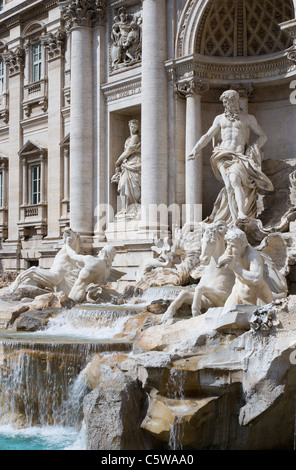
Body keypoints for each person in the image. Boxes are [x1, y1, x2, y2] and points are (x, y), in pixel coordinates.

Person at [188, 90, 273, 224]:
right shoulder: (220, 119)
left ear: (237, 102)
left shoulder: (248, 118)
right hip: (222, 154)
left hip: (239, 155)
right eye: (226, 102)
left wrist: (253, 148)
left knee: (234, 180)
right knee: (228, 186)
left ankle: (240, 213)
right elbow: (208, 136)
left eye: (231, 102)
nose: (228, 105)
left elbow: (263, 136)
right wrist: (195, 149)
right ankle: (233, 218)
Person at [217, 227, 284, 306]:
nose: (230, 249)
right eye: (228, 245)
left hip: (258, 297)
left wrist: (236, 268)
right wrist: (222, 261)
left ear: (243, 244)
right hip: (237, 292)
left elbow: (256, 279)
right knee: (225, 315)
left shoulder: (253, 256)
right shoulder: (233, 249)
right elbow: (222, 259)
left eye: (234, 246)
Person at [111, 119, 141, 215]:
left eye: (135, 127)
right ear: (129, 127)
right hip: (127, 164)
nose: (133, 129)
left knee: (130, 185)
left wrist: (118, 162)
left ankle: (132, 206)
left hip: (134, 162)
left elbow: (128, 151)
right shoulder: (128, 138)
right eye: (131, 126)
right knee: (123, 184)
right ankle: (125, 208)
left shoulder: (135, 137)